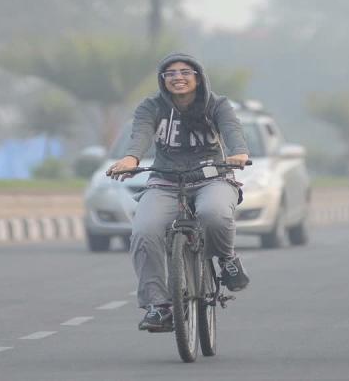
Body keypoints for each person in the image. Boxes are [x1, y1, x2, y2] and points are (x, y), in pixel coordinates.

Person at [106, 53, 251, 331]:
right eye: (170, 73)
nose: (178, 78)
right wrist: (131, 159)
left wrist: (239, 153)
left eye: (185, 72)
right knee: (144, 231)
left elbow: (232, 130)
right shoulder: (151, 106)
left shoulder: (217, 105)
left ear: (198, 77)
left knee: (213, 214)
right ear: (162, 80)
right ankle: (159, 306)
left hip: (212, 178)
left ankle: (227, 258)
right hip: (166, 181)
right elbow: (141, 135)